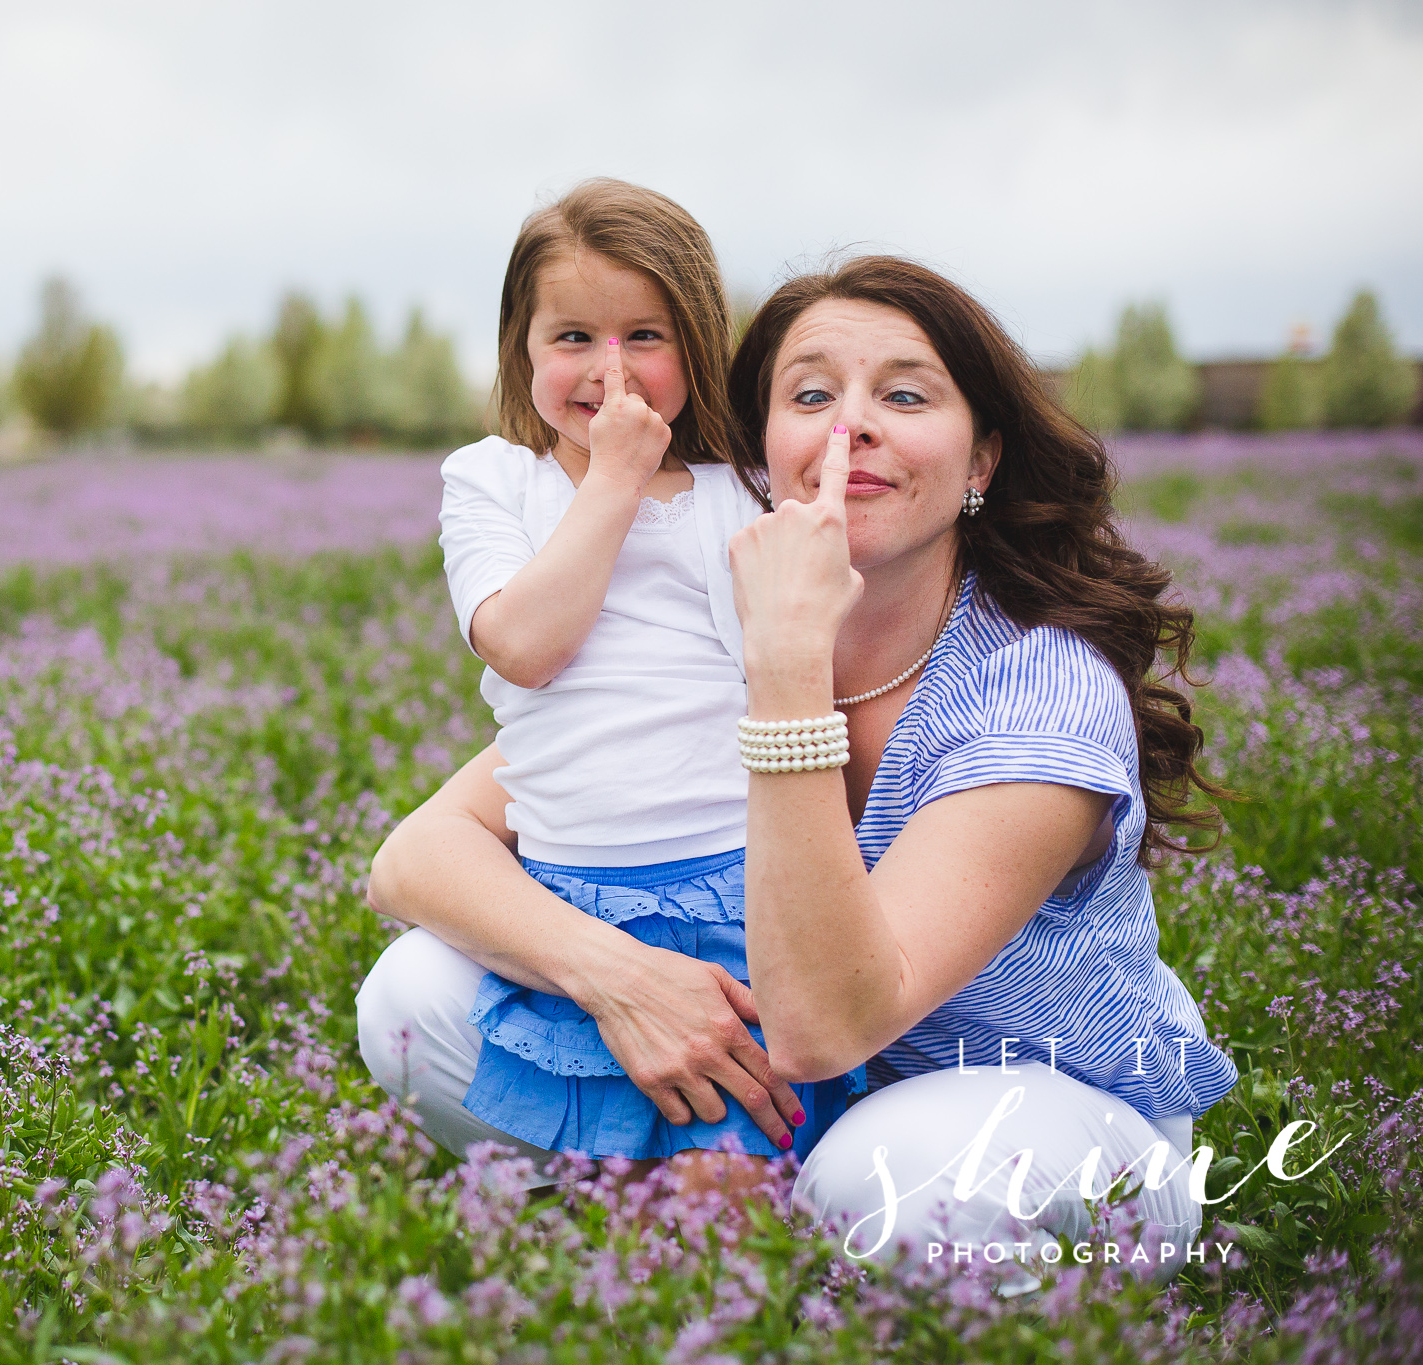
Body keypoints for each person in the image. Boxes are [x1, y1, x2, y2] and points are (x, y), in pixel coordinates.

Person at [358, 255, 1237, 1283]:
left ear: (980, 461)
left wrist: (784, 664)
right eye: (809, 395)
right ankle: (695, 1237)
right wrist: (620, 978)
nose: (847, 426)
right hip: (786, 1094)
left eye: (902, 396)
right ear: (760, 453)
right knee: (412, 992)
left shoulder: (1033, 691)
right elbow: (413, 859)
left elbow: (825, 1027)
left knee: (885, 1181)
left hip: (1029, 1111)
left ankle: (749, 1244)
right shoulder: (699, 638)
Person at [404, 178, 864, 1196]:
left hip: (734, 889)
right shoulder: (490, 481)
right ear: (520, 352)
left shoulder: (731, 490)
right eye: (570, 337)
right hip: (572, 899)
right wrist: (610, 481)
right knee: (608, 1169)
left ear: (695, 348)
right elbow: (523, 647)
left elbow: (785, 658)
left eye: (643, 336)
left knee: (719, 1187)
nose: (608, 372)